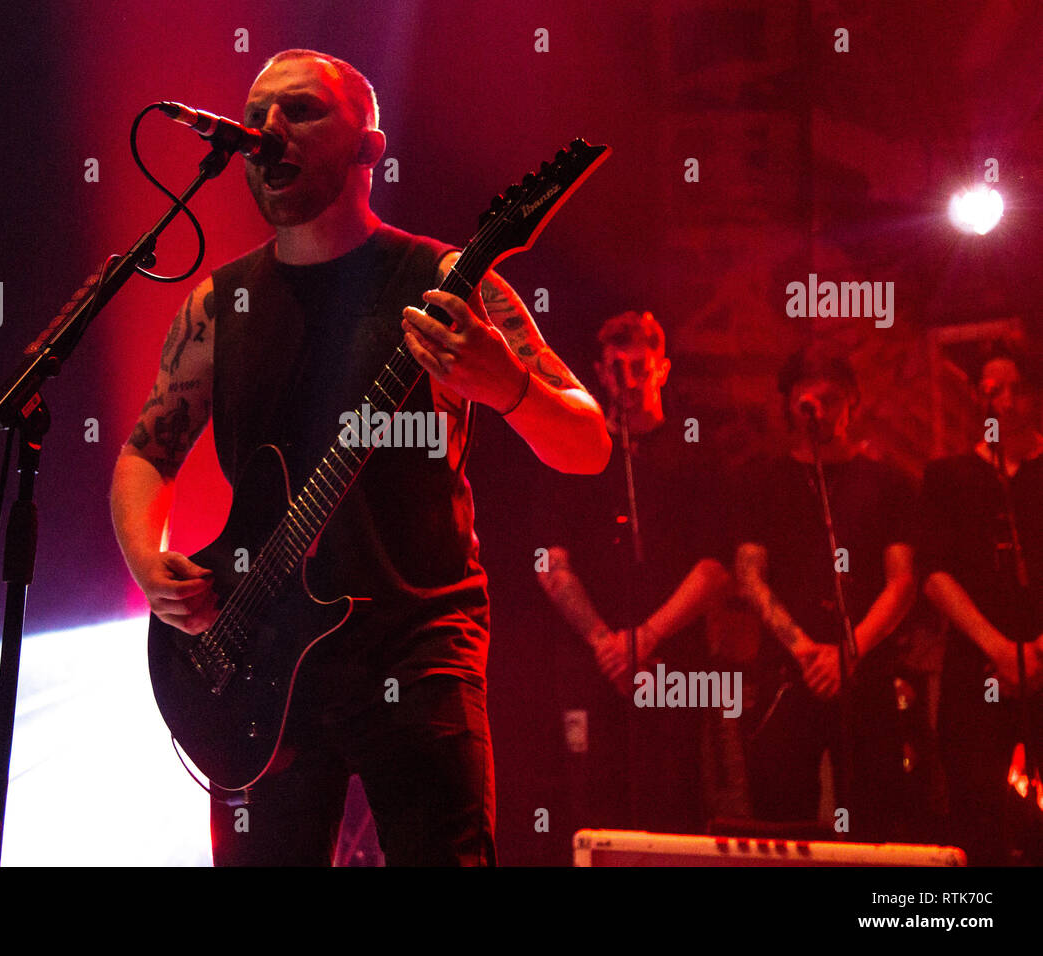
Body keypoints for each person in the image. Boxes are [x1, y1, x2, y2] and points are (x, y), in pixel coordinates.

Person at [109, 49, 611, 866]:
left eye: (301, 111)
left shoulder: (446, 279)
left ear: (370, 149)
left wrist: (508, 383)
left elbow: (588, 442)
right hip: (255, 654)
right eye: (257, 114)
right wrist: (146, 559)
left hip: (417, 646)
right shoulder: (219, 303)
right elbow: (145, 452)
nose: (267, 130)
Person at [536, 311, 731, 833]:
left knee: (678, 804)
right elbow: (552, 564)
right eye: (617, 367)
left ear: (661, 369)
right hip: (596, 664)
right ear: (599, 373)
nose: (628, 377)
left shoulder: (695, 450)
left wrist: (645, 637)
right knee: (598, 809)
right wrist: (606, 642)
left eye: (640, 366)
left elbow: (715, 568)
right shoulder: (579, 453)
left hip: (675, 661)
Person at [733, 346, 918, 836]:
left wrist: (848, 652)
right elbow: (749, 575)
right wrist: (805, 650)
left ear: (852, 400)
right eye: (805, 400)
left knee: (875, 820)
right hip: (789, 671)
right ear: (789, 404)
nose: (817, 411)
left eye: (830, 399)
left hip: (865, 669)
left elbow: (902, 579)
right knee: (781, 815)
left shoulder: (887, 482)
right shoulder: (763, 480)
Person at [920, 344, 1043, 863]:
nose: (1006, 402)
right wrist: (998, 647)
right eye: (993, 390)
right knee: (977, 811)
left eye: (1015, 389)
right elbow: (934, 574)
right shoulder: (948, 476)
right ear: (976, 397)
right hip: (977, 669)